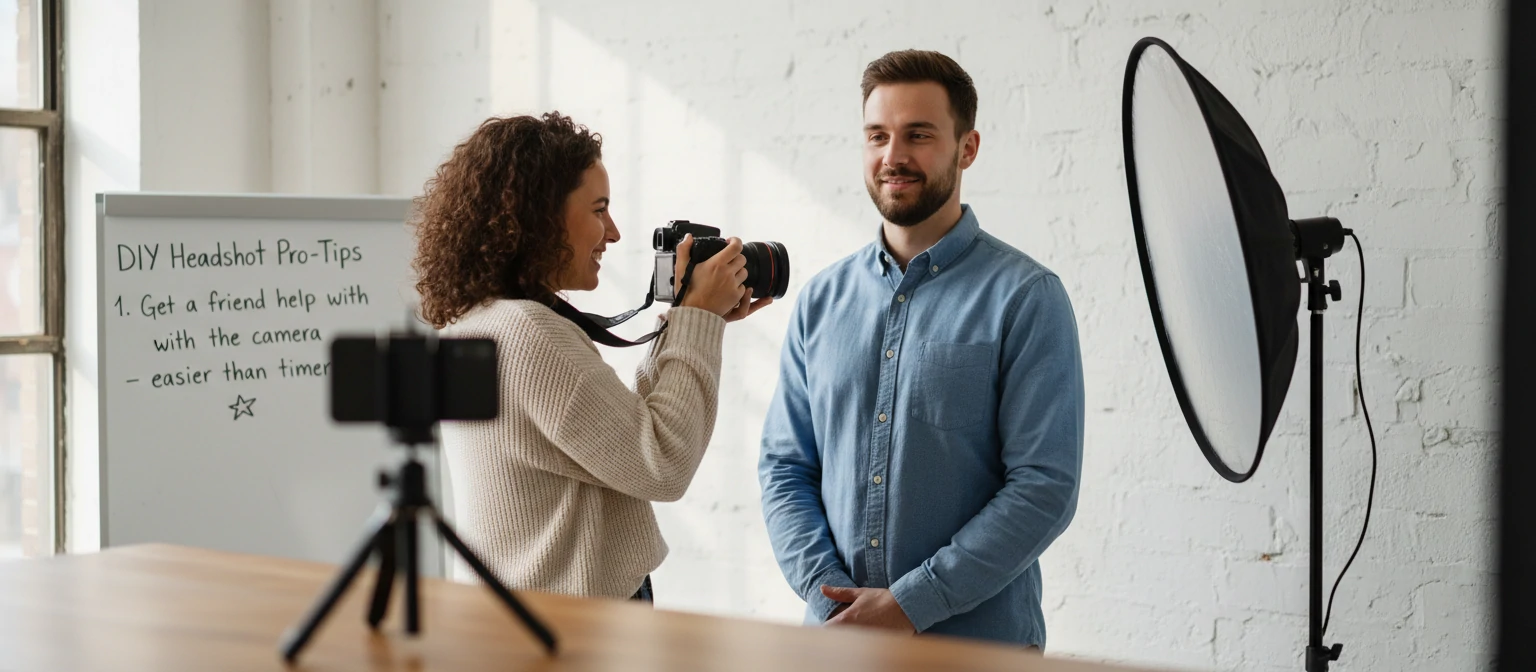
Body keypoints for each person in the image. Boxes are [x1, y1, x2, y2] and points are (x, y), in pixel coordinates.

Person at [758, 50, 1085, 649]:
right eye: (877, 135)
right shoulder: (820, 300)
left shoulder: (1027, 298)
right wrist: (830, 598)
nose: (893, 156)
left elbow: (1044, 486)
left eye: (918, 135)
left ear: (968, 148)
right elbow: (785, 467)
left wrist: (912, 603)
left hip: (977, 651)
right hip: (836, 647)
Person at [414, 112, 773, 603]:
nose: (614, 232)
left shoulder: (479, 324)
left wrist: (687, 321)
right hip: (574, 625)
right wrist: (697, 323)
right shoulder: (527, 334)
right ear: (538, 216)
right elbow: (661, 462)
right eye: (599, 210)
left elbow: (623, 441)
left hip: (523, 616)